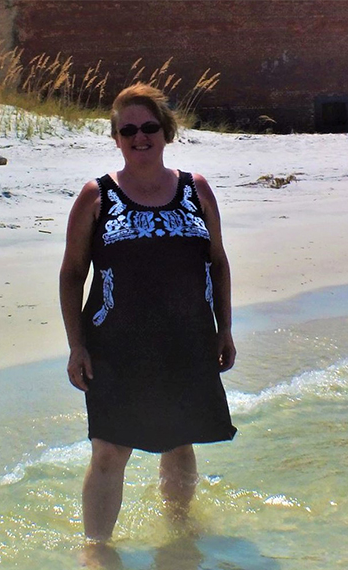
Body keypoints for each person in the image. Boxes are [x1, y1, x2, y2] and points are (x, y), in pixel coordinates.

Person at [59, 83, 236, 545]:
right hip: (115, 347)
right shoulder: (96, 196)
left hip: (186, 338)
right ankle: (97, 551)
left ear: (167, 131)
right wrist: (76, 345)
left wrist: (225, 330)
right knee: (110, 450)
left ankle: (179, 535)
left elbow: (217, 261)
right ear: (116, 138)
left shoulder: (195, 189)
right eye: (128, 129)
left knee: (180, 440)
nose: (140, 137)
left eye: (149, 127)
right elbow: (72, 273)